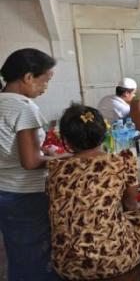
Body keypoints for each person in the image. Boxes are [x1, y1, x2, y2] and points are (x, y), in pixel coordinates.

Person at [47, 104, 140, 280]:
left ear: (66, 140)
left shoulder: (55, 170)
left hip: (67, 263)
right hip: (113, 255)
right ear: (104, 133)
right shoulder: (120, 162)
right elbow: (130, 205)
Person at [0, 48, 61, 280]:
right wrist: (60, 160)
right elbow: (30, 162)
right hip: (25, 193)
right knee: (37, 255)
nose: (45, 87)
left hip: (4, 190)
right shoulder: (24, 107)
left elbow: (10, 147)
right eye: (44, 80)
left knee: (19, 252)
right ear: (28, 77)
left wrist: (39, 150)